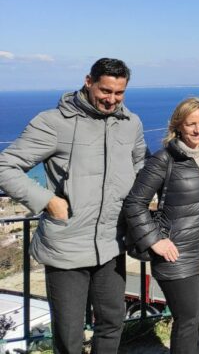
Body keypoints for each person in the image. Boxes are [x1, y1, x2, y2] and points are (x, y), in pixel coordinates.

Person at [0, 58, 147, 354]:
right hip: (66, 245)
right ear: (88, 81)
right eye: (105, 90)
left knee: (112, 323)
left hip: (112, 243)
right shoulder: (54, 122)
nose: (111, 99)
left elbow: (141, 167)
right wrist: (47, 201)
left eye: (119, 93)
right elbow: (6, 166)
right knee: (69, 335)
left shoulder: (131, 123)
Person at [123, 97, 199, 353]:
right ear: (178, 126)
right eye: (191, 124)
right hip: (177, 254)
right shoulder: (163, 160)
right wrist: (155, 240)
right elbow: (134, 204)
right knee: (187, 319)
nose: (197, 130)